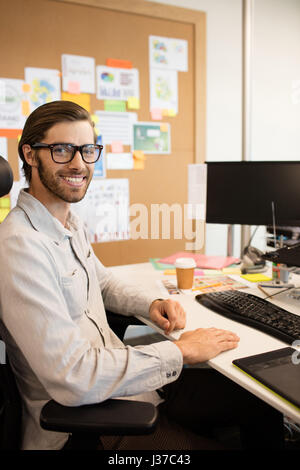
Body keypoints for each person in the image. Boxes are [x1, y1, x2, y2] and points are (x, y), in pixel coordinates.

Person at [0, 101, 283, 451]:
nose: (79, 164)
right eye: (62, 150)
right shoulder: (20, 246)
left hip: (131, 390)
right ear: (30, 154)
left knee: (258, 404)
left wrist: (151, 303)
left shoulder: (68, 223)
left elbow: (101, 282)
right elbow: (73, 376)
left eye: (88, 150)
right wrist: (180, 352)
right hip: (89, 425)